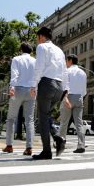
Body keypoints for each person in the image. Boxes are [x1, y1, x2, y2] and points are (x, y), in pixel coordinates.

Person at [29, 27, 69, 160]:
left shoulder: (41, 47)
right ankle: (58, 138)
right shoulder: (60, 50)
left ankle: (47, 151)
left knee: (42, 119)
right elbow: (64, 71)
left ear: (41, 36)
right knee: (46, 116)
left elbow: (39, 67)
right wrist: (65, 90)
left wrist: (33, 85)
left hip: (46, 84)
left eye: (37, 38)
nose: (37, 41)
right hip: (59, 87)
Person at [2, 42, 36, 155]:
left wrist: (12, 87)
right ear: (31, 51)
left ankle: (9, 146)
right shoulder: (35, 61)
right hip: (31, 91)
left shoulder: (16, 59)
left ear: (21, 49)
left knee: (11, 118)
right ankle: (29, 148)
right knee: (29, 120)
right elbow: (37, 76)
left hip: (18, 89)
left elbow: (14, 73)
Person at [58, 54, 87, 153]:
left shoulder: (67, 71)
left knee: (64, 123)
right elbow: (84, 90)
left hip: (68, 97)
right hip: (79, 97)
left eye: (66, 60)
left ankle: (61, 144)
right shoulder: (83, 73)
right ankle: (81, 145)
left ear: (70, 61)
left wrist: (64, 98)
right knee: (79, 123)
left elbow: (64, 86)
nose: (66, 62)